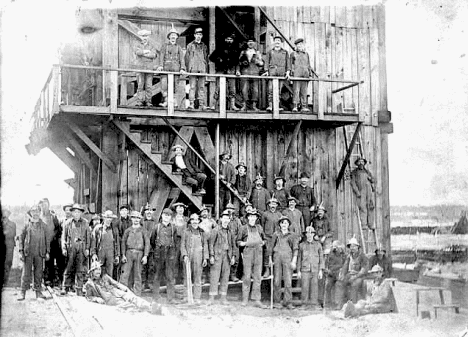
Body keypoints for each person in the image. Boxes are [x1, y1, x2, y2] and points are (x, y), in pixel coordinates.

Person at [85, 260, 162, 315]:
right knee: (126, 305)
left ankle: (151, 307)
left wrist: (125, 289)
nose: (98, 271)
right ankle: (143, 311)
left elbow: (116, 284)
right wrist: (97, 299)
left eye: (99, 269)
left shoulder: (105, 277)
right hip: (109, 298)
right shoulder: (90, 284)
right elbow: (88, 296)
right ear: (92, 272)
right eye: (96, 270)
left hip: (116, 292)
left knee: (131, 297)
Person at [17, 205, 50, 300]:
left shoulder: (44, 225)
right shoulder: (26, 225)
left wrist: (47, 251)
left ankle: (38, 292)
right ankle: (22, 292)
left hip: (39, 253)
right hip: (28, 253)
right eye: (33, 211)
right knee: (26, 273)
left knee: (39, 273)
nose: (35, 213)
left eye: (37, 211)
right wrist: (21, 251)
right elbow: (20, 240)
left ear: (40, 213)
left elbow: (47, 240)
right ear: (30, 213)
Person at [237, 208, 267, 308]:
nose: (252, 218)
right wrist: (246, 243)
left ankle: (256, 300)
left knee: (257, 277)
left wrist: (262, 243)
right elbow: (238, 242)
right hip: (248, 253)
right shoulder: (243, 228)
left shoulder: (259, 228)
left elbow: (264, 240)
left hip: (258, 253)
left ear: (256, 218)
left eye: (254, 217)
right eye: (250, 216)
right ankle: (245, 299)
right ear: (248, 217)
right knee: (247, 276)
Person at [61, 203, 91, 296]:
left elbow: (88, 237)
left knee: (80, 269)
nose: (76, 214)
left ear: (81, 213)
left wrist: (87, 248)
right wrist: (64, 248)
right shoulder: (68, 223)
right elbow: (63, 237)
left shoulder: (85, 223)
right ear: (72, 213)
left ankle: (79, 288)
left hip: (81, 248)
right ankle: (65, 287)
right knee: (69, 268)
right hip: (71, 248)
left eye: (78, 212)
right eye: (75, 212)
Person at [269, 215, 298, 309]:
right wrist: (270, 259)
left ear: (288, 224)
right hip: (277, 257)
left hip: (288, 258)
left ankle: (287, 302)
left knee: (288, 281)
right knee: (277, 280)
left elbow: (295, 249)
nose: (284, 225)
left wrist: (294, 260)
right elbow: (271, 248)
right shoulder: (276, 234)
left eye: (286, 223)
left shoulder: (292, 235)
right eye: (282, 223)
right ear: (280, 224)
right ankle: (277, 301)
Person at [208, 210, 236, 305]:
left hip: (227, 256)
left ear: (229, 220)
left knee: (225, 277)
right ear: (221, 219)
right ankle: (212, 297)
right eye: (224, 218)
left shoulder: (230, 231)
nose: (226, 220)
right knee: (214, 276)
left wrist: (232, 256)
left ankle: (223, 298)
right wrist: (211, 255)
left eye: (228, 218)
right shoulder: (215, 230)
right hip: (217, 256)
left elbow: (233, 245)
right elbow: (211, 244)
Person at [181, 213, 209, 304]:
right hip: (189, 255)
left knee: (197, 277)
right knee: (187, 276)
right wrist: (184, 255)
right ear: (190, 221)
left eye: (196, 220)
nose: (195, 222)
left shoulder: (202, 232)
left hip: (199, 255)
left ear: (199, 221)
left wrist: (205, 258)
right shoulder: (186, 231)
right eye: (193, 220)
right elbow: (182, 245)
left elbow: (205, 245)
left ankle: (197, 297)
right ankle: (186, 296)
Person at [120, 211, 150, 296]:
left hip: (139, 254)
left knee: (138, 275)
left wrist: (145, 256)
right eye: (134, 218)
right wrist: (123, 255)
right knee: (125, 275)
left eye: (138, 218)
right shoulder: (128, 230)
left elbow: (147, 243)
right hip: (128, 253)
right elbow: (123, 242)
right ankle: (123, 294)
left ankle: (137, 295)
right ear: (131, 219)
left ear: (140, 219)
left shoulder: (143, 230)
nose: (136, 220)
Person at [151, 208, 177, 303]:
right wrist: (157, 249)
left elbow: (175, 241)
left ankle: (171, 298)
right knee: (157, 275)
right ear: (162, 216)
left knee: (170, 276)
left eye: (169, 215)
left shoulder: (173, 228)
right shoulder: (156, 227)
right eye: (165, 215)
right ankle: (155, 296)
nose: (167, 217)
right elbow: (152, 241)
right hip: (159, 252)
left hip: (169, 253)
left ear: (171, 217)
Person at [209, 32, 239, 111]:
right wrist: (218, 59)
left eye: (231, 39)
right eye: (228, 39)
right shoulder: (220, 48)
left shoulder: (235, 50)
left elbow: (237, 62)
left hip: (231, 70)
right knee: (218, 88)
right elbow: (211, 57)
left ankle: (232, 105)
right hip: (221, 70)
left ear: (233, 40)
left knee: (232, 88)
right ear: (225, 40)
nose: (229, 41)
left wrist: (237, 70)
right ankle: (213, 105)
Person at [157, 26, 186, 108]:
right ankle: (166, 101)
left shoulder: (179, 47)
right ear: (169, 36)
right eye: (172, 35)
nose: (173, 36)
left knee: (175, 87)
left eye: (175, 35)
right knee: (164, 86)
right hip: (165, 69)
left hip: (176, 70)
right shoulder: (164, 46)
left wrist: (182, 68)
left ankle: (174, 102)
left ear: (177, 37)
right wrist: (160, 66)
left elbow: (182, 59)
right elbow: (161, 56)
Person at [336, 237, 369, 307]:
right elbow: (345, 266)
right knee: (339, 283)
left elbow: (364, 270)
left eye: (354, 246)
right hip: (350, 275)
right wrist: (342, 275)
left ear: (358, 247)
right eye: (351, 246)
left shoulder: (363, 256)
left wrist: (355, 277)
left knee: (354, 285)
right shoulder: (349, 256)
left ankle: (353, 305)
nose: (352, 248)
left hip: (359, 276)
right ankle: (339, 304)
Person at [297, 226, 324, 307]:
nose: (309, 235)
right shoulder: (301, 245)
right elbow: (299, 259)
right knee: (305, 287)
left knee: (314, 287)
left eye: (311, 233)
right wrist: (298, 271)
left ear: (313, 234)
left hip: (315, 269)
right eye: (307, 233)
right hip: (305, 269)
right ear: (305, 234)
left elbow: (321, 258)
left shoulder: (318, 245)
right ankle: (304, 304)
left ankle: (314, 304)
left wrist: (320, 270)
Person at [39, 198, 63, 288]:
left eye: (45, 205)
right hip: (45, 243)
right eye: (42, 205)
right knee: (49, 262)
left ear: (48, 205)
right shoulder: (40, 217)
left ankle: (60, 281)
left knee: (59, 262)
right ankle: (49, 280)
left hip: (54, 243)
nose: (44, 207)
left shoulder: (53, 216)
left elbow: (58, 228)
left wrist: (54, 236)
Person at [263, 36, 290, 112]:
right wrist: (266, 71)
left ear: (281, 43)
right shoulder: (270, 52)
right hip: (272, 73)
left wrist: (287, 72)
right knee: (271, 90)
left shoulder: (285, 52)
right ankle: (271, 106)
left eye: (279, 41)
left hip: (281, 74)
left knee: (279, 91)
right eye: (276, 40)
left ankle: (277, 106)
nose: (277, 42)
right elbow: (266, 62)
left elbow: (288, 64)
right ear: (273, 42)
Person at [238, 37, 264, 111]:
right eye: (249, 41)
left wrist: (258, 62)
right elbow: (238, 62)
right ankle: (244, 106)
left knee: (255, 90)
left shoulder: (257, 52)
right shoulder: (243, 52)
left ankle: (254, 106)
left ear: (255, 43)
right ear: (247, 43)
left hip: (255, 73)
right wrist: (242, 63)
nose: (250, 43)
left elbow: (262, 63)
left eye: (252, 41)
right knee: (244, 89)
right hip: (245, 72)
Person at [90, 210, 120, 277]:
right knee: (98, 271)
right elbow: (93, 241)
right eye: (107, 218)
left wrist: (117, 255)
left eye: (110, 218)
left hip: (110, 254)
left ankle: (107, 287)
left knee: (109, 273)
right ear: (104, 218)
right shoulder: (98, 228)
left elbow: (117, 243)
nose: (109, 220)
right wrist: (94, 254)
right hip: (100, 252)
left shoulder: (114, 230)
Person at [185, 27, 209, 110]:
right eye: (197, 34)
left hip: (202, 68)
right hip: (193, 68)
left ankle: (201, 104)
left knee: (201, 87)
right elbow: (187, 58)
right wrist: (188, 69)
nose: (198, 36)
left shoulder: (204, 46)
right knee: (192, 87)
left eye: (200, 35)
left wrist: (206, 69)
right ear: (194, 35)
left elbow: (206, 58)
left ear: (202, 36)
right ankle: (191, 103)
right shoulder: (190, 45)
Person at [350, 157, 376, 233]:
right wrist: (357, 192)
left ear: (364, 163)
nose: (361, 163)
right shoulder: (354, 172)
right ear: (357, 163)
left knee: (370, 207)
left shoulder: (367, 172)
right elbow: (353, 183)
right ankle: (364, 224)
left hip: (369, 191)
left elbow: (373, 180)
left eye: (362, 162)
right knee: (363, 208)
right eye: (359, 162)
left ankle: (370, 224)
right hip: (361, 192)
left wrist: (370, 179)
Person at [261, 197, 283, 278]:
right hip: (267, 237)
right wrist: (263, 236)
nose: (272, 205)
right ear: (268, 205)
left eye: (274, 204)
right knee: (267, 252)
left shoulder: (279, 215)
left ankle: (276, 270)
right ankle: (267, 270)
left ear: (277, 205)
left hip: (277, 237)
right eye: (271, 204)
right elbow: (262, 225)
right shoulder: (265, 214)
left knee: (276, 252)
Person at [135, 29, 157, 107]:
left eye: (146, 36)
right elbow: (138, 52)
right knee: (140, 85)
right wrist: (146, 52)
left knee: (148, 86)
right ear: (140, 36)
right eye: (143, 36)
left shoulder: (152, 45)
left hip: (149, 69)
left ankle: (148, 101)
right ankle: (139, 101)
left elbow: (153, 55)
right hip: (140, 68)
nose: (144, 37)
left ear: (148, 37)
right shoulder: (138, 44)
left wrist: (143, 53)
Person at [290, 38, 312, 112]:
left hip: (305, 76)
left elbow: (308, 65)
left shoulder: (306, 54)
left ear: (303, 45)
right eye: (298, 44)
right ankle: (295, 106)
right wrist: (291, 73)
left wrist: (310, 74)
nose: (299, 46)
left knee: (304, 92)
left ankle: (304, 106)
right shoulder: (293, 54)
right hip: (296, 75)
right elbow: (290, 65)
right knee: (296, 91)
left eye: (301, 44)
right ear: (296, 46)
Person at [323, 240, 345, 309]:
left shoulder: (343, 255)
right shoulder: (329, 254)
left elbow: (345, 265)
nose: (338, 249)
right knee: (327, 285)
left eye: (339, 248)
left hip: (339, 273)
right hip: (330, 273)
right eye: (335, 247)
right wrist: (327, 271)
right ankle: (327, 304)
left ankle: (338, 304)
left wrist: (342, 273)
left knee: (339, 284)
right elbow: (325, 265)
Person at [225, 203, 242, 282]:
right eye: (228, 208)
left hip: (235, 241)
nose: (230, 210)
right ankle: (225, 275)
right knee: (226, 258)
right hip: (226, 241)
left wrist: (238, 240)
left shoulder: (237, 220)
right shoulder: (223, 218)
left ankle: (233, 275)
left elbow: (240, 231)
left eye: (231, 209)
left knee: (236, 258)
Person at [141, 203, 156, 291]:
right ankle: (143, 283)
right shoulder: (141, 222)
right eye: (147, 210)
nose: (149, 212)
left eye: (150, 210)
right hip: (142, 248)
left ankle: (150, 283)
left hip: (152, 248)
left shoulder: (156, 222)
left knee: (151, 266)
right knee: (142, 267)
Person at [114, 205, 131, 280]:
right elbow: (116, 235)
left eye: (125, 210)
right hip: (120, 245)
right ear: (120, 212)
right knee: (119, 265)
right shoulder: (117, 222)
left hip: (130, 245)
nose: (124, 212)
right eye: (122, 210)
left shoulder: (131, 221)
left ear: (128, 212)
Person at [172, 202, 188, 284]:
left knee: (183, 259)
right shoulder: (172, 219)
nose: (180, 209)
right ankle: (174, 279)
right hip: (175, 241)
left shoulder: (187, 219)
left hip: (184, 241)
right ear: (176, 209)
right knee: (174, 260)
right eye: (179, 207)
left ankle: (184, 279)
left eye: (182, 207)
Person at [3, 209, 16, 287]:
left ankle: (6, 280)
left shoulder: (12, 224)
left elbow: (13, 234)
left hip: (9, 246)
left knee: (8, 262)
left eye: (7, 214)